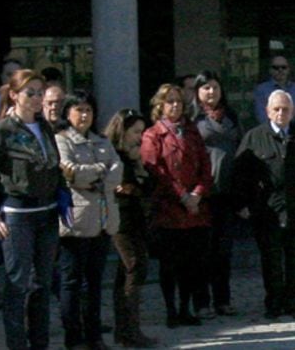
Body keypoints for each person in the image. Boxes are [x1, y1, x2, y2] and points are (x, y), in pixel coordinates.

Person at [233, 90, 295, 319]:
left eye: (286, 109)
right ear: (267, 111)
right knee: (271, 259)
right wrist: (243, 203)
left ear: (293, 111)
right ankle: (273, 301)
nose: (281, 113)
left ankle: (293, 301)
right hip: (267, 210)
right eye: (276, 109)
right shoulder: (254, 137)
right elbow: (241, 174)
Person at [0, 70, 62, 350]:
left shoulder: (45, 126)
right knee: (17, 285)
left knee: (42, 284)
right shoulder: (3, 131)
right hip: (17, 214)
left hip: (47, 212)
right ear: (14, 95)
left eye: (39, 92)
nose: (37, 99)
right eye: (30, 93)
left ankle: (40, 344)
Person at [141, 83, 213, 328]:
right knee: (170, 265)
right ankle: (171, 309)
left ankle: (186, 308)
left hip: (195, 210)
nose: (175, 106)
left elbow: (205, 166)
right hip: (169, 210)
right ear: (160, 105)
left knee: (192, 264)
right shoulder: (153, 135)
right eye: (170, 101)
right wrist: (182, 196)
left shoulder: (192, 132)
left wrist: (197, 194)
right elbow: (156, 171)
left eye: (178, 102)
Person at [54, 90, 122, 350]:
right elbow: (70, 173)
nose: (84, 115)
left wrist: (94, 174)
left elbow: (117, 171)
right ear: (68, 113)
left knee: (94, 282)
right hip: (76, 220)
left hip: (103, 219)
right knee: (72, 281)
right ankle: (74, 337)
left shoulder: (102, 140)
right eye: (79, 110)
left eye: (88, 110)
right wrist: (99, 171)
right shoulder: (62, 140)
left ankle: (94, 335)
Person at [102, 109, 159, 348]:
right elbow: (123, 188)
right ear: (122, 131)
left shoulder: (133, 157)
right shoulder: (112, 154)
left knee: (127, 272)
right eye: (136, 131)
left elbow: (148, 186)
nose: (140, 136)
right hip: (120, 219)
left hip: (135, 219)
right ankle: (129, 330)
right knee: (134, 267)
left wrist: (140, 167)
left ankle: (126, 329)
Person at [190, 70, 243, 318]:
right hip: (203, 193)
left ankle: (223, 299)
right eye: (206, 88)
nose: (211, 92)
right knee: (202, 251)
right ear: (198, 91)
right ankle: (202, 301)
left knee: (223, 250)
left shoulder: (231, 116)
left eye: (215, 87)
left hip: (227, 192)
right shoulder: (192, 118)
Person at [253, 56, 295, 125]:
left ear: (288, 70)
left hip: (294, 131)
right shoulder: (261, 89)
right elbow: (261, 116)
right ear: (270, 70)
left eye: (284, 67)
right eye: (276, 68)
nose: (280, 70)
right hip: (270, 131)